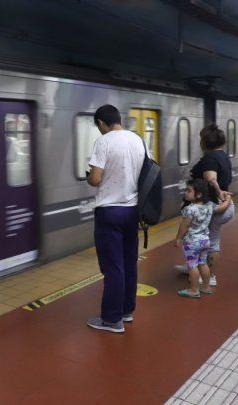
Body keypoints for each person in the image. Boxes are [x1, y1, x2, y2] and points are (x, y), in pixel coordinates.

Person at [86, 104, 145, 333]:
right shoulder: (137, 140)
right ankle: (127, 311)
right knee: (129, 262)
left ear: (101, 123)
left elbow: (95, 178)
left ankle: (111, 319)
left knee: (113, 267)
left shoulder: (104, 141)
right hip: (132, 210)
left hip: (109, 211)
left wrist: (88, 177)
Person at [175, 124, 234, 287]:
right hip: (221, 203)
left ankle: (209, 276)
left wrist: (219, 192)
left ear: (204, 142)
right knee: (199, 238)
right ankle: (192, 266)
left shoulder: (210, 158)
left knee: (211, 241)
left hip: (215, 205)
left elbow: (210, 178)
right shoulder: (222, 155)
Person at [175, 179, 232, 298]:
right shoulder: (209, 205)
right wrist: (228, 199)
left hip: (192, 242)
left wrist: (178, 238)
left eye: (188, 190)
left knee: (192, 265)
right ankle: (206, 287)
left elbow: (184, 226)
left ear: (199, 194)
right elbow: (222, 207)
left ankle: (194, 290)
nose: (185, 192)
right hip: (205, 240)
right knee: (202, 263)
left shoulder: (189, 209)